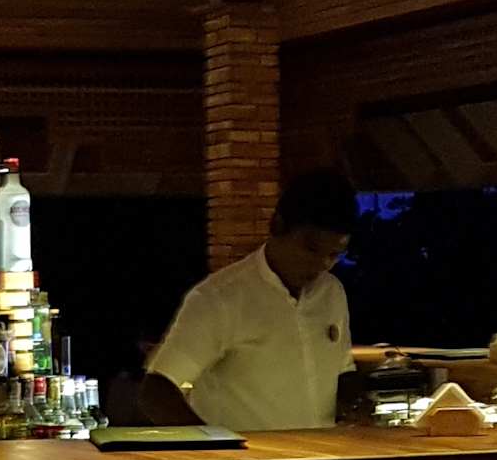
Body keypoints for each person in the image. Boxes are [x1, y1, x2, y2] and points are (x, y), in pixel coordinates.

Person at [134, 169, 360, 431]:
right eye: (311, 249)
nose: (322, 264)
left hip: (320, 453)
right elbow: (156, 392)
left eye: (334, 254)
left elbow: (342, 373)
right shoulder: (220, 298)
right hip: (248, 456)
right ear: (277, 225)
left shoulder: (332, 293)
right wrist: (216, 445)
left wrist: (360, 409)